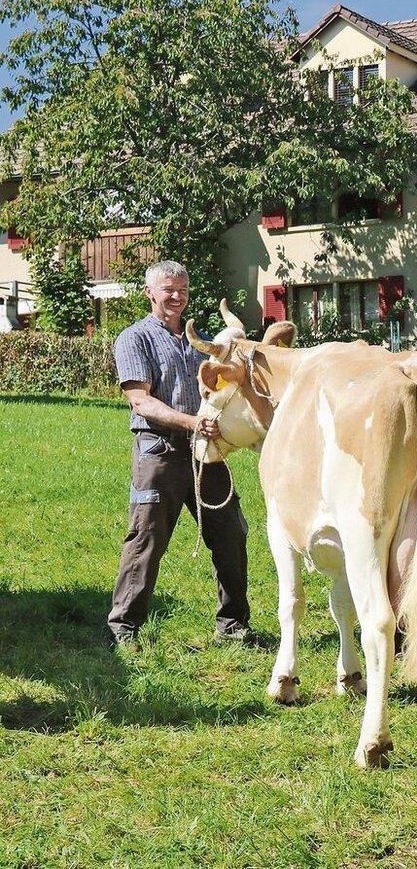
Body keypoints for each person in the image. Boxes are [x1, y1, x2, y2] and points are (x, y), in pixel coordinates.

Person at [108, 261, 255, 649]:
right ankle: (124, 629)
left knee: (231, 534)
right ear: (150, 293)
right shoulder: (134, 338)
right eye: (168, 289)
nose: (176, 296)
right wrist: (192, 423)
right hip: (159, 451)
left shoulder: (201, 340)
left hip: (208, 452)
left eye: (183, 290)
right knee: (146, 539)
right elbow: (140, 401)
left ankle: (233, 626)